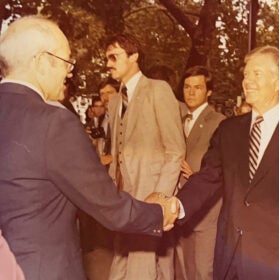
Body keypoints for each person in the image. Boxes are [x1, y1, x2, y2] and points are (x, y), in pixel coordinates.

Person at [0, 16, 178, 280]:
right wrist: (159, 213)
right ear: (40, 61)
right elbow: (107, 205)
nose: (70, 72)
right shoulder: (53, 121)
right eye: (66, 61)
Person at [155, 45, 279, 279]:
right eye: (246, 74)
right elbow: (207, 178)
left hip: (278, 264)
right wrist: (175, 205)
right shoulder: (229, 131)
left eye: (257, 74)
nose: (247, 81)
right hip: (229, 259)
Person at [105, 33, 185, 280]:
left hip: (149, 195)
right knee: (121, 259)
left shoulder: (157, 90)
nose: (108, 63)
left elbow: (175, 150)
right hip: (122, 196)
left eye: (114, 57)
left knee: (143, 265)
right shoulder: (115, 100)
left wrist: (159, 197)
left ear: (134, 57)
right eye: (106, 58)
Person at [175, 65, 225, 280]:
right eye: (187, 87)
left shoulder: (219, 123)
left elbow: (221, 169)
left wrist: (197, 176)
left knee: (202, 271)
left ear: (209, 91)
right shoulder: (175, 118)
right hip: (176, 205)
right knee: (181, 270)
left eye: (197, 87)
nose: (191, 92)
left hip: (205, 210)